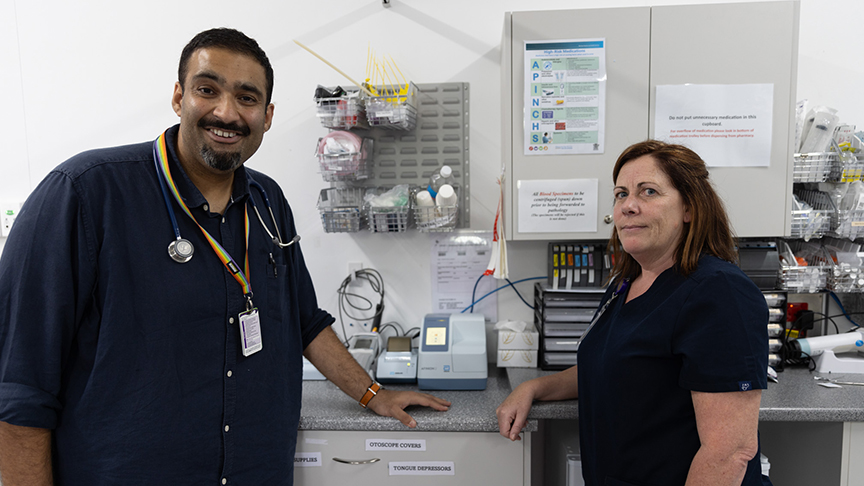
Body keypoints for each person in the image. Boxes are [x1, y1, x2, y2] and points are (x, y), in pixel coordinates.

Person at [0, 28, 450, 485]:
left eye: (247, 97)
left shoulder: (268, 202)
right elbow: (20, 387)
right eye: (207, 90)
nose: (227, 112)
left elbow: (304, 320)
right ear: (179, 97)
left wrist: (374, 393)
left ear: (267, 115)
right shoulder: (84, 194)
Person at [497, 140, 771, 485]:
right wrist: (534, 388)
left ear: (690, 207)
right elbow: (611, 366)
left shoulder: (718, 292)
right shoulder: (627, 282)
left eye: (649, 192)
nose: (627, 206)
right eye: (621, 194)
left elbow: (729, 452)